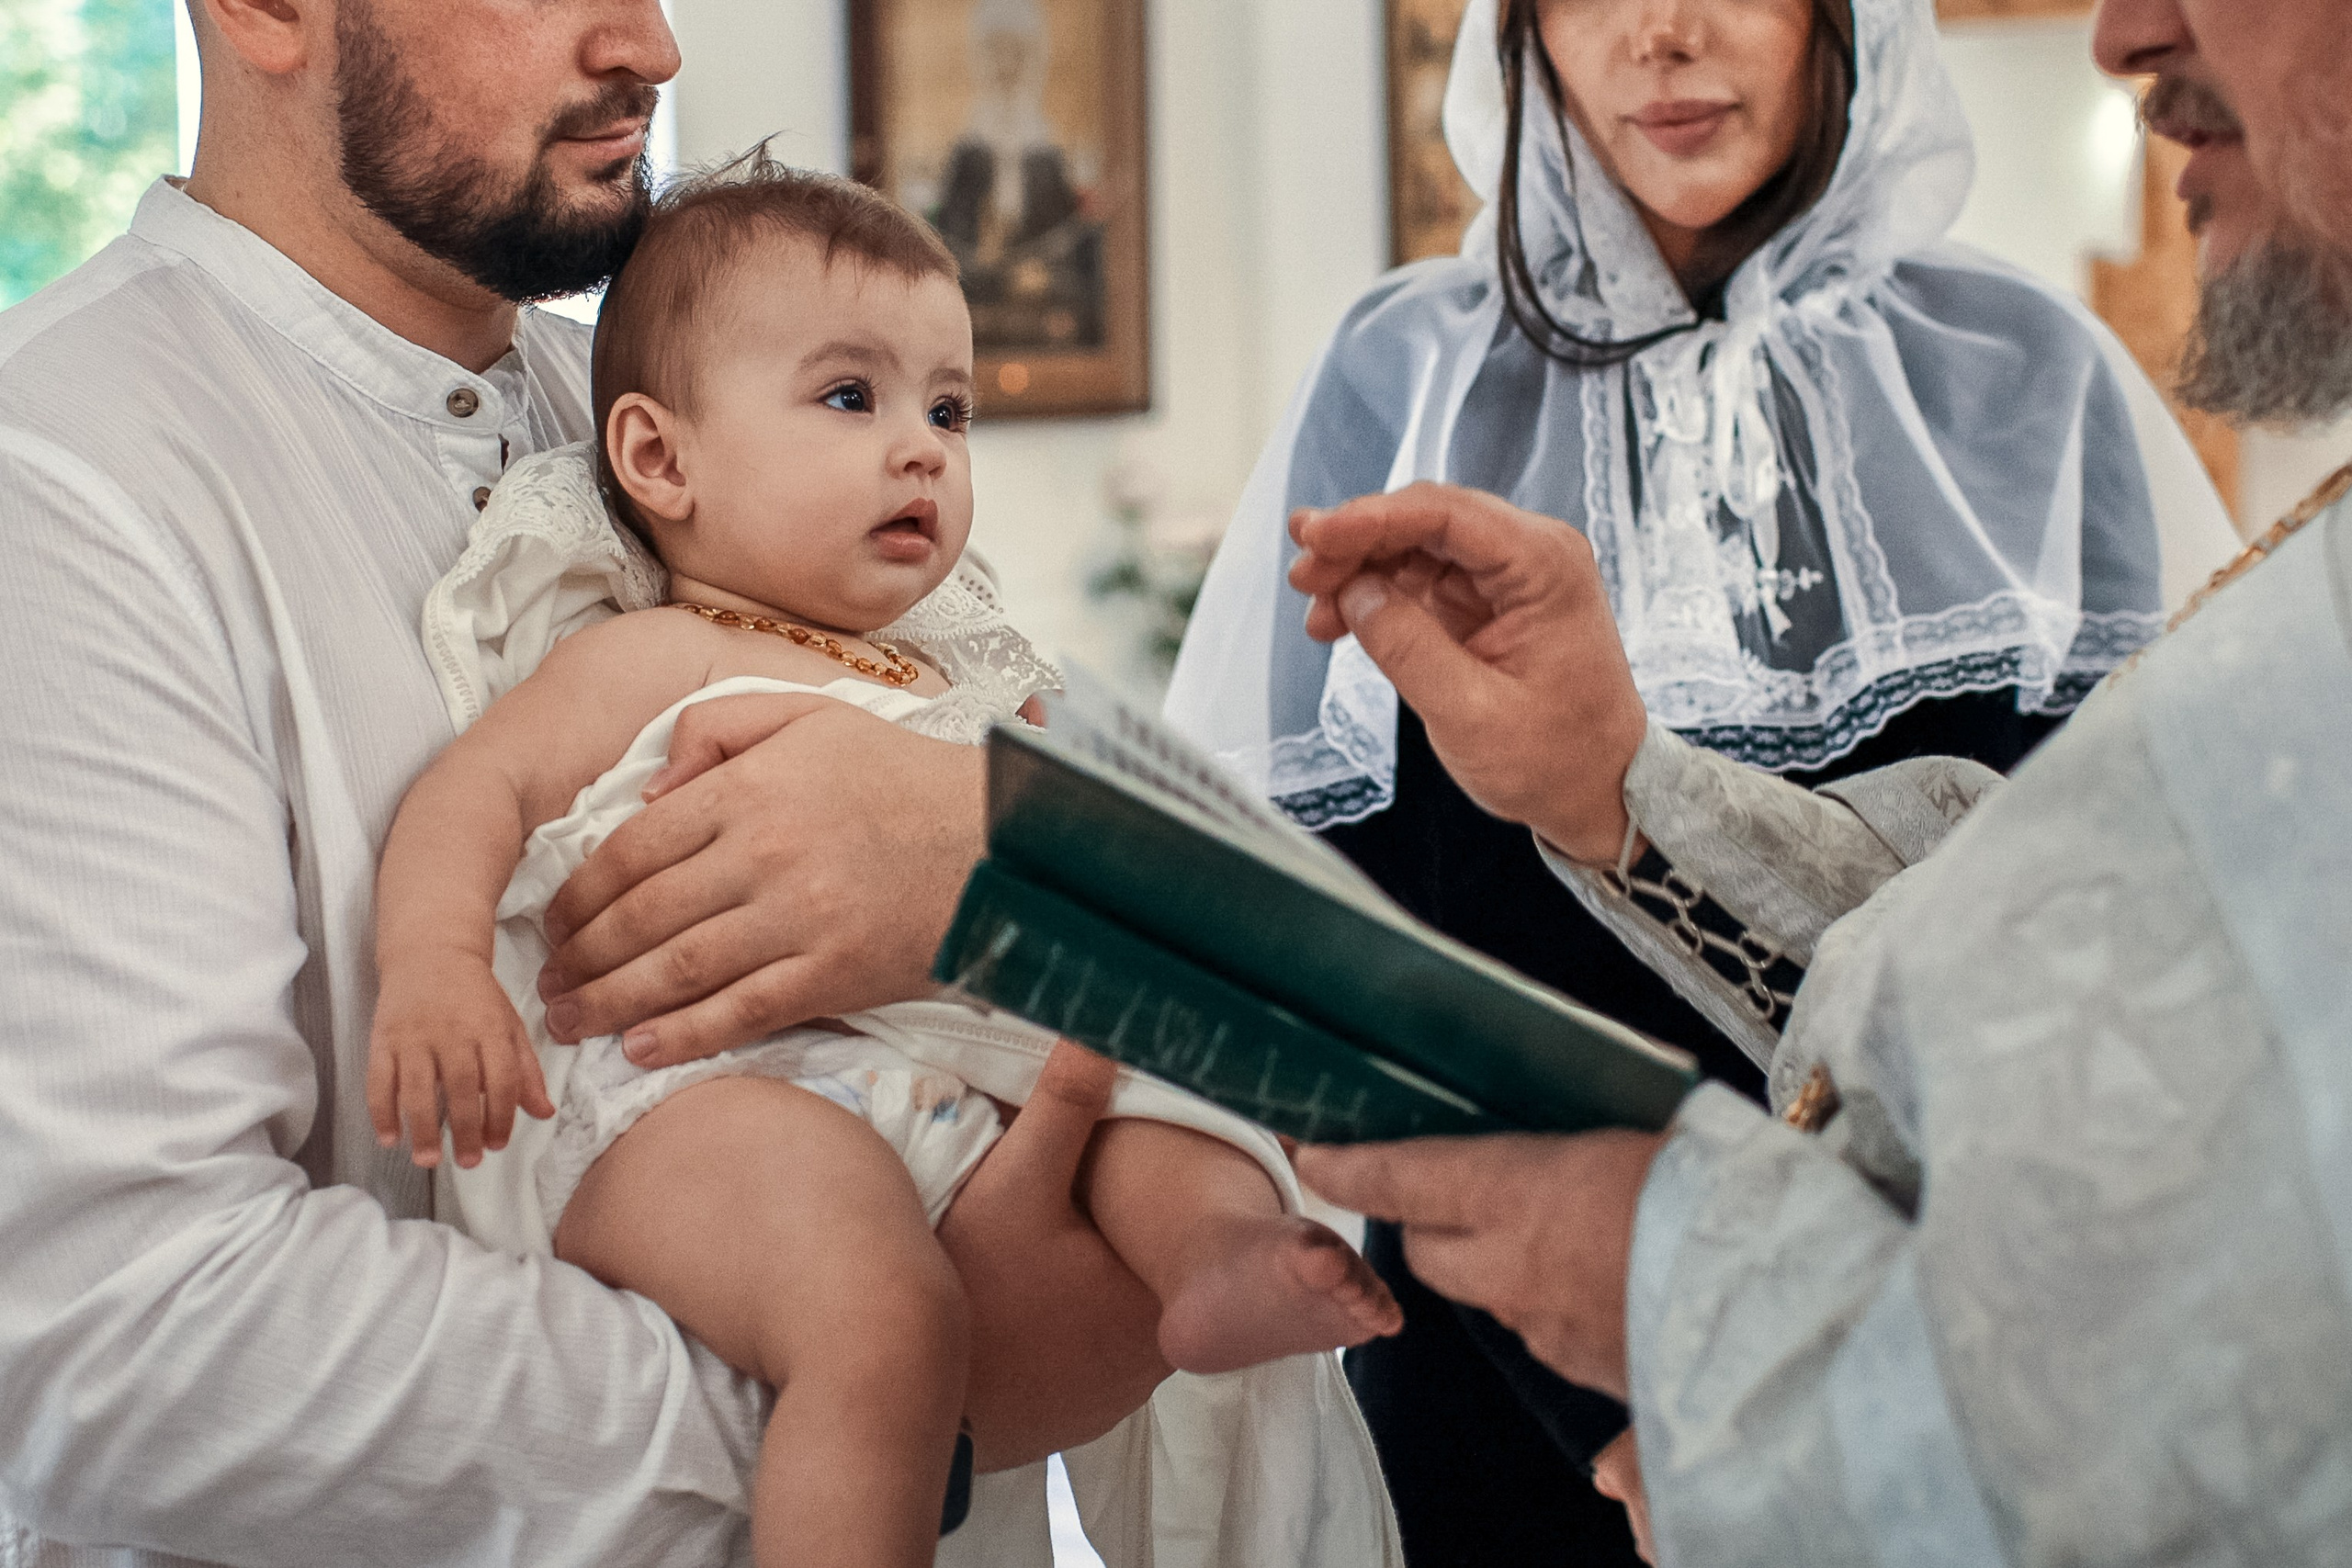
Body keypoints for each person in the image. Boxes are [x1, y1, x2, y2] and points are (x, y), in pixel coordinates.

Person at [0, 1, 1175, 1561]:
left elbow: (1055, 788)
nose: (654, 43)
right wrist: (924, 1391)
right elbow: (123, 1332)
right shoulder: (63, 481)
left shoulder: (721, 400)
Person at [1162, 0, 2238, 1560]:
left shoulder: (2026, 375)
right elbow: (1360, 956)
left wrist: (1798, 1376)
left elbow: (2103, 948)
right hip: (1505, 1362)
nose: (1660, 38)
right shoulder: (1402, 375)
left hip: (1928, 1359)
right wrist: (1621, 1418)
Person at [368, 160, 1400, 1568]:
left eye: (949, 408)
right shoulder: (655, 649)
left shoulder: (959, 686)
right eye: (851, 397)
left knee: (1162, 1085)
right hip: (705, 1102)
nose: (921, 447)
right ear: (661, 459)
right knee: (882, 1319)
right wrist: (432, 966)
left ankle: (1211, 1256)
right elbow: (472, 793)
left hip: (953, 1085)